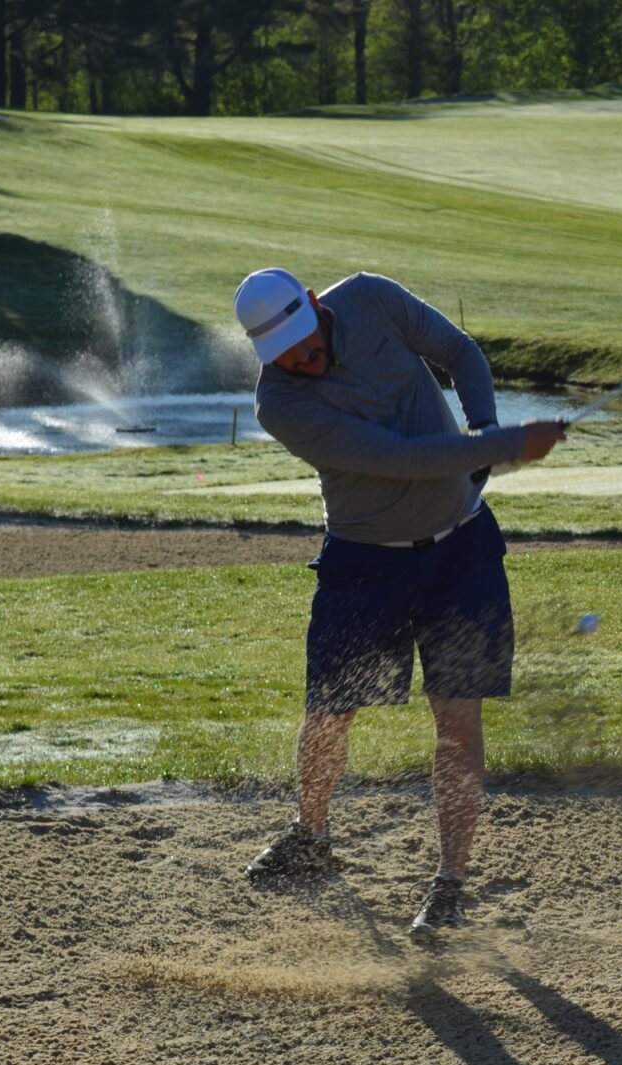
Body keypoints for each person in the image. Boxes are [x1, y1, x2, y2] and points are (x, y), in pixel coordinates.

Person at [232, 267, 566, 940]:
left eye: (304, 339)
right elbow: (400, 457)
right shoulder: (281, 406)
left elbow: (460, 353)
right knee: (330, 713)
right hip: (367, 563)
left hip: (461, 551)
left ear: (317, 304)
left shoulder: (374, 299)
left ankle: (448, 885)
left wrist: (485, 425)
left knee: (457, 721)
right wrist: (502, 449)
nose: (302, 359)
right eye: (285, 355)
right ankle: (312, 834)